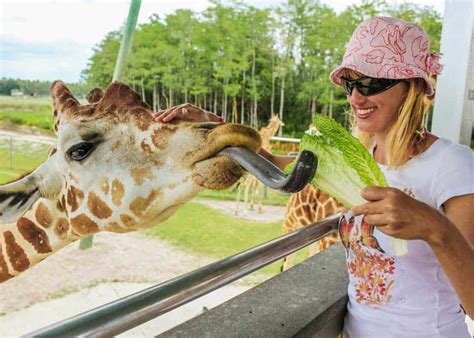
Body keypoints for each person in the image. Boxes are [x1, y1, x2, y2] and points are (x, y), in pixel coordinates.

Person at [153, 16, 473, 337]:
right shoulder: (358, 162)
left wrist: (435, 228)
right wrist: (214, 127)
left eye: (371, 83)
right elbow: (281, 166)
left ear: (413, 87)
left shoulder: (452, 164)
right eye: (351, 83)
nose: (355, 98)